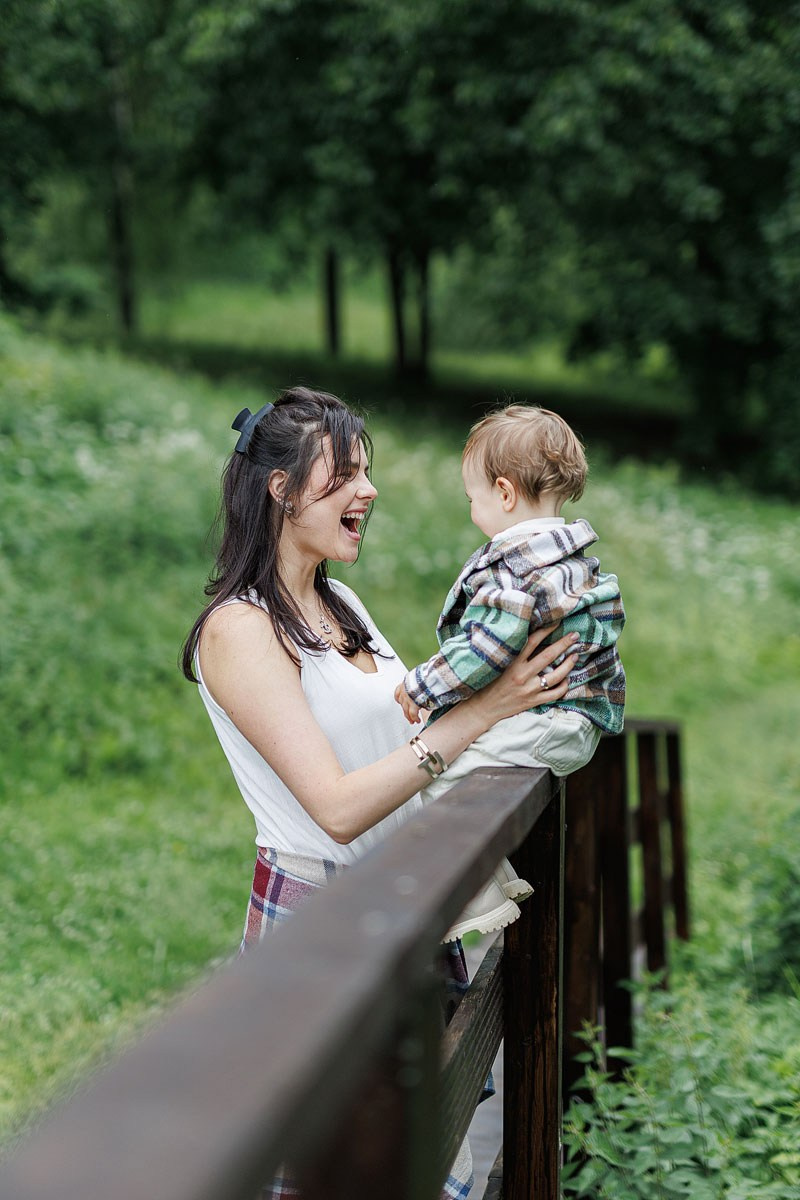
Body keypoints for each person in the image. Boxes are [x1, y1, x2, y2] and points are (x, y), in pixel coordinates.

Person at [181, 387, 579, 1199]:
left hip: (397, 902)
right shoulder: (239, 628)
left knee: (405, 1156)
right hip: (321, 916)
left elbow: (407, 730)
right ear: (282, 489)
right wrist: (482, 715)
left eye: (368, 472)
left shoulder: (340, 604)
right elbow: (334, 804)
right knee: (334, 1168)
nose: (369, 490)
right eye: (346, 474)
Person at [395, 404, 625, 943]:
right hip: (573, 722)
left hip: (548, 717)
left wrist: (422, 684)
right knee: (464, 776)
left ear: (503, 493)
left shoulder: (515, 564)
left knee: (439, 776)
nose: (473, 511)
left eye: (472, 498)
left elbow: (487, 646)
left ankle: (474, 901)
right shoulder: (569, 554)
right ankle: (497, 881)